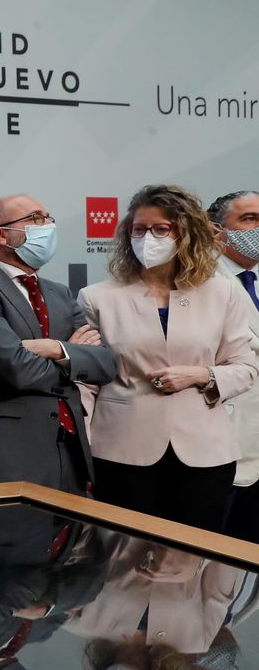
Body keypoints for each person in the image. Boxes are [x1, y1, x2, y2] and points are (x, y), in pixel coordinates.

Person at [78, 185, 259, 531]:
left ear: (185, 232)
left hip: (205, 454)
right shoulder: (98, 297)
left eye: (161, 229)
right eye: (139, 229)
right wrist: (83, 454)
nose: (149, 238)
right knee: (124, 568)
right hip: (121, 452)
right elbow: (86, 383)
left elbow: (245, 367)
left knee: (191, 565)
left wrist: (201, 375)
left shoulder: (222, 291)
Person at [0, 195, 117, 494]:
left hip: (70, 457)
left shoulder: (59, 293)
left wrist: (57, 349)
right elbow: (17, 370)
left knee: (72, 539)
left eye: (47, 217)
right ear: (0, 234)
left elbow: (104, 364)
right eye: (35, 219)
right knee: (13, 540)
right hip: (9, 459)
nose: (48, 225)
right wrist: (75, 360)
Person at [206, 190, 259, 539]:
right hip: (222, 450)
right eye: (249, 219)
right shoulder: (197, 282)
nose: (258, 228)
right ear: (215, 231)